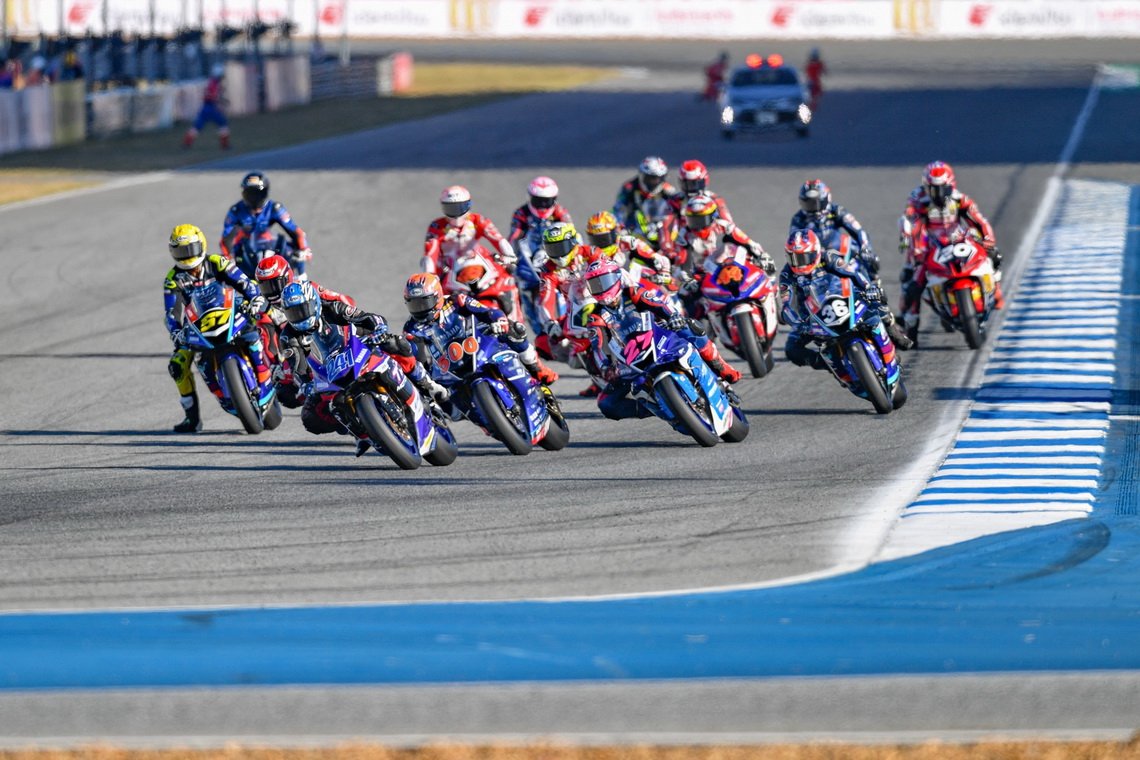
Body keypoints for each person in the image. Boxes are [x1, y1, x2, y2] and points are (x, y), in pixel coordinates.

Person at [278, 280, 445, 456]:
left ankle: (426, 384)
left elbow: (366, 317)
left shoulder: (332, 308)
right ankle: (365, 434)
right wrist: (306, 384)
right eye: (293, 313)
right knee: (312, 416)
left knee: (397, 344)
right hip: (329, 371)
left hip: (357, 345)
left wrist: (378, 328)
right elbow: (298, 366)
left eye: (303, 309)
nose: (300, 316)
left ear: (314, 303)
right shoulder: (288, 337)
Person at [579, 257, 742, 422]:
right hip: (630, 361)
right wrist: (606, 366)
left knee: (690, 326)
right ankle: (662, 408)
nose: (601, 288)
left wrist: (672, 317)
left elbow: (658, 305)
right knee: (606, 403)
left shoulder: (633, 293)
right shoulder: (595, 317)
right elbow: (599, 346)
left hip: (660, 337)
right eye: (595, 285)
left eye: (604, 281)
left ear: (617, 278)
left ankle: (721, 368)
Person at [163, 224, 269, 433]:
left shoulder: (216, 262)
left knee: (267, 320)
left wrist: (255, 298)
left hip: (232, 313)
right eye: (180, 251)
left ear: (201, 245)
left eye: (190, 250)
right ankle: (192, 419)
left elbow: (244, 282)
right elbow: (171, 312)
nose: (186, 257)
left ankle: (280, 370)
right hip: (198, 327)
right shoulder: (172, 279)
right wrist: (175, 331)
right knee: (177, 365)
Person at [778, 230, 910, 385]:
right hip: (813, 318)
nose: (798, 263)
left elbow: (853, 274)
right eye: (793, 258)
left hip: (845, 300)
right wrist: (797, 322)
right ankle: (832, 366)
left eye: (803, 257)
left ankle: (894, 334)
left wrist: (869, 288)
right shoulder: (786, 275)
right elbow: (787, 304)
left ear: (816, 252)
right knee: (791, 349)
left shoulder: (828, 257)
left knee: (878, 302)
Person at [898, 161, 1003, 344]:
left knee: (993, 257)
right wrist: (916, 249)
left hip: (957, 238)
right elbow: (912, 223)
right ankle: (910, 324)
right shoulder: (918, 199)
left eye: (943, 188)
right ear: (926, 186)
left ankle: (996, 291)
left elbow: (978, 220)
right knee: (911, 282)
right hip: (928, 243)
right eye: (933, 189)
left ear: (951, 185)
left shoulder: (959, 198)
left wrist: (988, 242)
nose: (938, 194)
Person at [403, 272, 559, 387]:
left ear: (437, 296)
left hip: (477, 341)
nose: (420, 309)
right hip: (449, 366)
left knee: (515, 329)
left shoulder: (457, 300)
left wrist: (499, 321)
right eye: (414, 304)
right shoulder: (411, 329)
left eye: (423, 303)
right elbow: (420, 361)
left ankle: (535, 367)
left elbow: (487, 312)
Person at [508, 176, 574, 333]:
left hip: (554, 255)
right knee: (517, 286)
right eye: (539, 201)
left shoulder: (560, 212)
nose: (543, 205)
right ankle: (521, 323)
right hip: (528, 256)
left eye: (547, 201)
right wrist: (511, 258)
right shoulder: (521, 213)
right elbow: (513, 237)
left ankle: (570, 317)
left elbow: (571, 233)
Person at [220, 171, 312, 279]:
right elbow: (226, 238)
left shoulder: (275, 208)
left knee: (296, 254)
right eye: (250, 194)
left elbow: (295, 232)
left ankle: (301, 278)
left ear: (265, 193)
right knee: (226, 272)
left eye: (258, 194)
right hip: (244, 247)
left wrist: (304, 248)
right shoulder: (236, 211)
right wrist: (228, 256)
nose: (254, 199)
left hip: (269, 243)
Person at [422, 185, 517, 280]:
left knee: (508, 275)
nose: (456, 213)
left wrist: (509, 256)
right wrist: (430, 274)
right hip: (448, 270)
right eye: (451, 208)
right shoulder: (437, 226)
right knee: (435, 287)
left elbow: (497, 238)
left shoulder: (478, 220)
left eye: (460, 207)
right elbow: (431, 252)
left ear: (468, 205)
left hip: (478, 262)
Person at [788, 179, 879, 278]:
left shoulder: (837, 211)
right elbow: (795, 242)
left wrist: (865, 248)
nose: (811, 207)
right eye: (807, 203)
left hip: (841, 252)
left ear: (825, 199)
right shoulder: (798, 219)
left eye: (814, 203)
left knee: (866, 257)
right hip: (816, 258)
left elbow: (859, 231)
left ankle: (871, 281)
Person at [674, 192, 773, 277]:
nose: (698, 226)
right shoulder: (683, 236)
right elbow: (683, 264)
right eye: (693, 220)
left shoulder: (725, 227)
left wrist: (762, 256)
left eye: (701, 220)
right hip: (704, 277)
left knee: (762, 273)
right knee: (683, 289)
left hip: (732, 269)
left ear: (712, 217)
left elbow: (748, 243)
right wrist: (687, 278)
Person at [613, 156, 685, 232]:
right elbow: (619, 208)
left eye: (656, 179)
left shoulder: (668, 190)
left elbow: (678, 206)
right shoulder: (629, 188)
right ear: (642, 176)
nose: (653, 182)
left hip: (660, 226)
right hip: (634, 225)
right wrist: (619, 225)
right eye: (650, 178)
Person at [183, 63, 230, 150]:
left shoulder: (210, 82)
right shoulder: (215, 83)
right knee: (223, 124)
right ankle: (225, 145)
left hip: (205, 107)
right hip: (211, 107)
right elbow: (214, 97)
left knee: (197, 126)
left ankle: (187, 143)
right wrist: (222, 102)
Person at [673, 160, 734, 224]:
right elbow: (667, 226)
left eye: (695, 184)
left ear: (704, 181)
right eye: (687, 185)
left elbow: (729, 224)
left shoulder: (715, 200)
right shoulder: (674, 201)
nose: (691, 189)